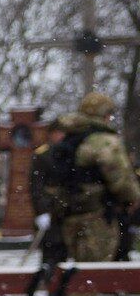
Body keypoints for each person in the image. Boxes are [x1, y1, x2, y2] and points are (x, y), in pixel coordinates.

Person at [43, 91, 140, 261]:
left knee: (80, 270)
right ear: (105, 114)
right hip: (98, 216)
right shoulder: (104, 141)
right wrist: (132, 199)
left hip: (70, 215)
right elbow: (122, 182)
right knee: (97, 272)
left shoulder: (71, 137)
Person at [29, 118, 67, 265]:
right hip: (49, 206)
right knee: (50, 247)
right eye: (58, 133)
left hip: (65, 207)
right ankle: (47, 279)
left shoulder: (68, 152)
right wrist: (41, 211)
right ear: (51, 134)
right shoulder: (42, 155)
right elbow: (36, 186)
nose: (61, 136)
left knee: (64, 248)